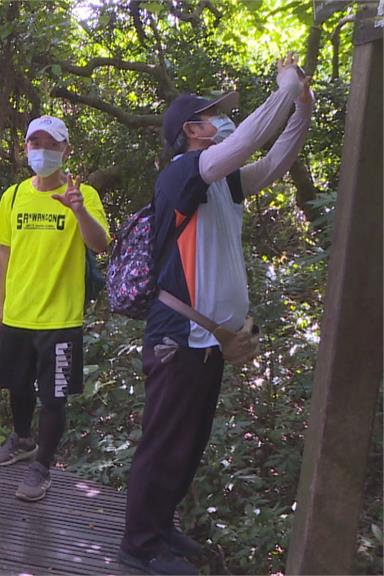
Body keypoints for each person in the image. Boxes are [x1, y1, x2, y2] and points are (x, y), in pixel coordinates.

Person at [118, 55, 313, 575]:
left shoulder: (220, 182)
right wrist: (285, 87)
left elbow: (273, 164)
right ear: (191, 130)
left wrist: (301, 110)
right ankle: (139, 543)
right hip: (176, 334)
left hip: (210, 340)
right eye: (213, 115)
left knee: (190, 436)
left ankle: (161, 526)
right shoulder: (184, 173)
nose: (224, 119)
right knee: (164, 437)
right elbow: (249, 142)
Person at [0, 116, 110, 502]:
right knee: (17, 386)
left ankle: (42, 466)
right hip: (18, 312)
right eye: (34, 143)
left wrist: (79, 211)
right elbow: (3, 252)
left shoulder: (83, 194)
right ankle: (22, 439)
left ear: (65, 150)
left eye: (50, 144)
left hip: (61, 317)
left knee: (53, 396)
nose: (42, 151)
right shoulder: (14, 195)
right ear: (25, 148)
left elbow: (100, 245)